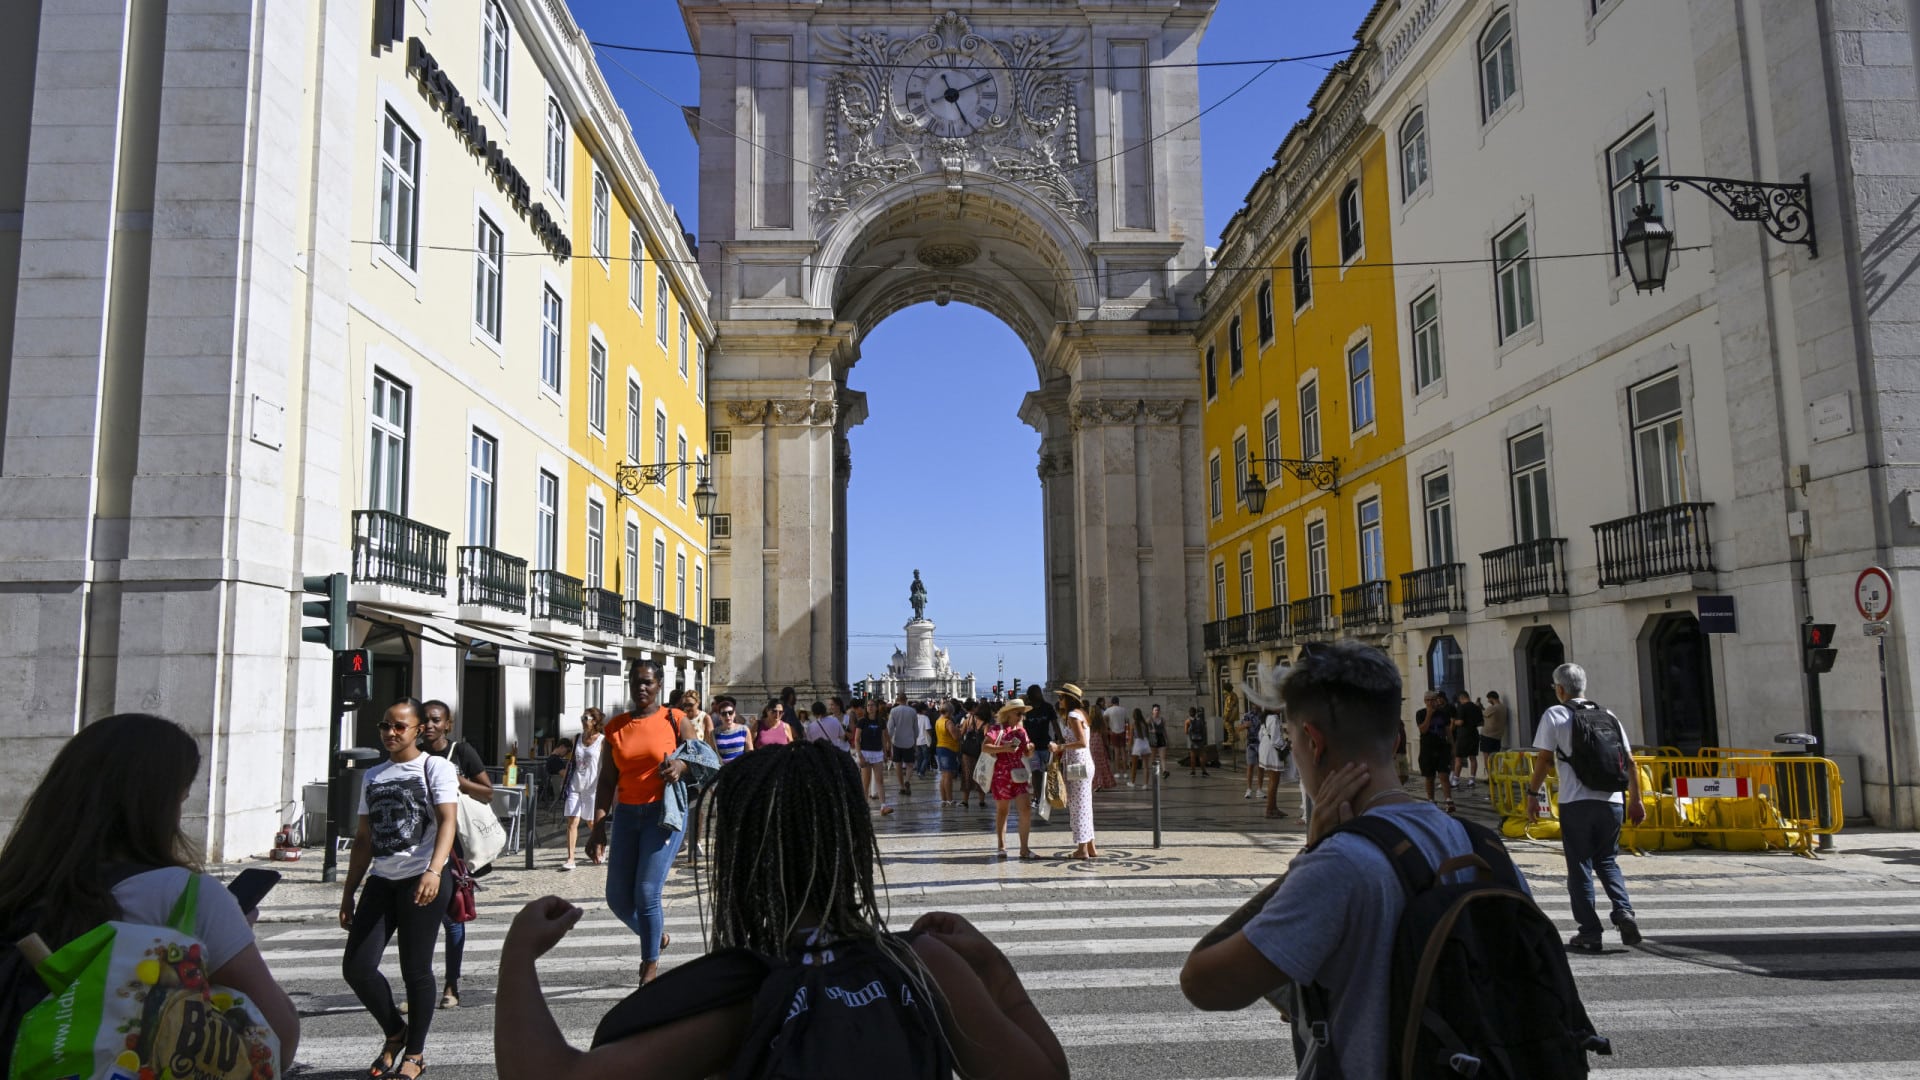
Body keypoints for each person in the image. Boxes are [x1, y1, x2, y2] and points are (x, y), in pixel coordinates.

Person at [493, 741, 1070, 1080]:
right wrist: (992, 968)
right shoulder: (923, 964)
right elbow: (1044, 1076)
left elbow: (554, 1076)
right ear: (853, 843)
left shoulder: (747, 998)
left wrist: (518, 955)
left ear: (742, 860)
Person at [1179, 642, 1504, 1079]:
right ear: (1395, 740)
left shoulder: (1338, 864)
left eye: (1292, 740)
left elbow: (1201, 981)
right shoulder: (1482, 844)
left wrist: (1310, 854)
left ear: (1313, 743)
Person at [0, 713, 300, 1071]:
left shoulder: (16, 884)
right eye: (181, 799)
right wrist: (229, 938)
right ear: (160, 804)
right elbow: (278, 1038)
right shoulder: (185, 897)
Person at [340, 699, 458, 1080]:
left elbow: (448, 822)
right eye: (385, 726)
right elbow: (363, 839)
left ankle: (415, 1054)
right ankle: (395, 1031)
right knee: (357, 967)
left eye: (399, 727)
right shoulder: (373, 775)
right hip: (382, 879)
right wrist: (349, 891)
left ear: (418, 730)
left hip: (423, 878)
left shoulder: (435, 767)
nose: (390, 733)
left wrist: (434, 870)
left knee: (416, 970)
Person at [585, 659, 699, 985]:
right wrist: (598, 827)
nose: (642, 687)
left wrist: (680, 766)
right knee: (618, 898)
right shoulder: (616, 727)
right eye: (636, 681)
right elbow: (607, 781)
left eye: (648, 681)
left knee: (647, 892)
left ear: (659, 684)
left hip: (663, 815)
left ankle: (649, 967)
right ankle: (656, 936)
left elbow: (701, 757)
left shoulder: (675, 719)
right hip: (626, 815)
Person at [1527, 662, 1644, 953]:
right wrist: (1636, 800)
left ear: (1560, 689)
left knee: (1579, 867)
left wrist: (1532, 794)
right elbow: (1631, 762)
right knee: (1608, 861)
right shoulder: (1608, 715)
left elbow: (1544, 759)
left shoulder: (1555, 714)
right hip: (1612, 802)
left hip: (1576, 802)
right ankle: (1623, 911)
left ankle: (1590, 932)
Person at [417, 699, 492, 1010]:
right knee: (418, 923)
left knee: (452, 919)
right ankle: (418, 987)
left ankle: (451, 984)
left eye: (436, 720)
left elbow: (488, 791)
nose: (430, 725)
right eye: (425, 720)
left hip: (454, 850)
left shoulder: (461, 752)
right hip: (419, 847)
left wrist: (456, 781)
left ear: (447, 724)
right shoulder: (414, 755)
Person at [984, 701, 1036, 859]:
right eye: (1018, 713)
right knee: (1003, 811)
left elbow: (1027, 753)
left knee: (1026, 809)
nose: (1021, 717)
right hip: (1002, 774)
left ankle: (1024, 848)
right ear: (1009, 714)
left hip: (1019, 773)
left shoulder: (1021, 731)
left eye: (1023, 714)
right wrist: (1004, 748)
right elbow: (984, 747)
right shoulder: (996, 729)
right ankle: (1001, 846)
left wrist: (1030, 749)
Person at [1051, 685, 1098, 860]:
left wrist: (1060, 747)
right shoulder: (1081, 714)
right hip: (1083, 763)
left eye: (1061, 697)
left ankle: (1082, 849)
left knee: (1078, 806)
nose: (1059, 701)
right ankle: (1090, 846)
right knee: (1085, 805)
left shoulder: (1073, 715)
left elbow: (1082, 742)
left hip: (1078, 764)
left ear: (1069, 699)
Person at [561, 709, 606, 871]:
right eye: (582, 717)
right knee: (572, 821)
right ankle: (570, 859)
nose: (582, 720)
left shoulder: (602, 741)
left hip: (592, 787)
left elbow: (606, 765)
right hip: (575, 785)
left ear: (595, 721)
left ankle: (601, 846)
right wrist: (565, 780)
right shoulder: (577, 738)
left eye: (585, 718)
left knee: (591, 822)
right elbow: (571, 761)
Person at [851, 699, 894, 815]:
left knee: (880, 780)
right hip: (865, 753)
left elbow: (884, 737)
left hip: (877, 753)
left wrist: (885, 752)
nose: (870, 707)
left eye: (872, 705)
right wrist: (860, 755)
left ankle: (883, 806)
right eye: (868, 705)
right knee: (866, 782)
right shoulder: (862, 721)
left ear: (876, 707)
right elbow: (857, 739)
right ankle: (864, 807)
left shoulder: (881, 721)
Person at [1417, 691, 1456, 812]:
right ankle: (1431, 800)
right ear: (1425, 701)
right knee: (1429, 776)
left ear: (1437, 700)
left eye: (1432, 700)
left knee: (1444, 774)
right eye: (1428, 700)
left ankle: (1448, 800)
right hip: (1427, 748)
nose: (1430, 702)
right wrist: (1429, 715)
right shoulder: (1420, 713)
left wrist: (1453, 746)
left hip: (1442, 747)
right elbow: (1423, 730)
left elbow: (1448, 731)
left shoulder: (1443, 714)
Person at [1021, 685, 1058, 813]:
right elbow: (1023, 727)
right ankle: (1037, 797)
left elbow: (1054, 723)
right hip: (1033, 747)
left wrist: (1059, 738)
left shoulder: (1048, 707)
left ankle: (1047, 795)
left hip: (1046, 745)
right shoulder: (1027, 710)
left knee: (1047, 772)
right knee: (1036, 772)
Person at [1452, 690, 1487, 789]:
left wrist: (1453, 722)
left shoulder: (1462, 707)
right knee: (1473, 758)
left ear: (1461, 698)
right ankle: (1471, 780)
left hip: (1463, 735)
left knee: (1458, 758)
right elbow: (1481, 723)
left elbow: (1460, 722)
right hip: (1474, 734)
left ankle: (1455, 781)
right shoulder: (1476, 707)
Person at [887, 694, 920, 798]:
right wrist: (915, 740)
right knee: (910, 764)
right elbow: (916, 729)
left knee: (898, 765)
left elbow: (890, 728)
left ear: (897, 700)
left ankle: (901, 787)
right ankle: (907, 780)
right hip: (909, 741)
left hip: (897, 741)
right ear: (906, 700)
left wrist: (888, 741)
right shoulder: (912, 711)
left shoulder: (893, 711)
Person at [957, 703, 989, 810]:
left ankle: (965, 801)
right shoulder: (986, 725)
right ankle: (981, 801)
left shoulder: (969, 720)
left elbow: (961, 734)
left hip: (967, 753)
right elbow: (986, 740)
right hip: (980, 754)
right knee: (981, 776)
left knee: (967, 776)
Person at [934, 702, 964, 805]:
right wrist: (961, 730)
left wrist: (956, 728)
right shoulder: (948, 722)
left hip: (940, 747)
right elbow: (956, 737)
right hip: (948, 749)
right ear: (950, 711)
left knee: (944, 776)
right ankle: (950, 799)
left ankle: (944, 799)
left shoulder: (938, 720)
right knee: (948, 776)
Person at [710, 696, 753, 763]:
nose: (727, 716)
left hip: (741, 767)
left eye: (730, 713)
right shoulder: (714, 733)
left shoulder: (744, 730)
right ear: (720, 716)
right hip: (722, 768)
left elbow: (750, 753)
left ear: (734, 714)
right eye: (724, 714)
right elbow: (713, 754)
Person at [1102, 695, 1129, 775]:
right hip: (1122, 731)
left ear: (1112, 702)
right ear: (1118, 702)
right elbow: (1127, 721)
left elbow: (1104, 719)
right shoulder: (1123, 710)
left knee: (1116, 752)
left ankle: (1117, 771)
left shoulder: (1108, 710)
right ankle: (1125, 771)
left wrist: (1108, 728)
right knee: (1123, 752)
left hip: (1113, 732)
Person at [1239, 705, 1261, 799]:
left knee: (1261, 767)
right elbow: (1239, 728)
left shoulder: (1263, 715)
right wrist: (1244, 725)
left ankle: (1259, 790)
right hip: (1251, 744)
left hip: (1262, 744)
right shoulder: (1247, 715)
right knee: (1250, 766)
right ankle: (1249, 790)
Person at [1482, 689, 1509, 759]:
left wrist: (1478, 706)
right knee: (1495, 757)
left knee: (1487, 757)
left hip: (1488, 736)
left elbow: (1482, 714)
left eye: (1488, 699)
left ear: (1491, 698)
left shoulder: (1493, 708)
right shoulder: (1503, 707)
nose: (1488, 701)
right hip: (1497, 737)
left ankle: (1488, 767)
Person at [1185, 706, 1212, 777]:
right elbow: (1204, 731)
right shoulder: (1200, 720)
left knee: (1192, 757)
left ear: (1189, 713)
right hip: (1200, 740)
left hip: (1192, 741)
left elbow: (1186, 732)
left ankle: (1193, 772)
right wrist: (1204, 740)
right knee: (1202, 756)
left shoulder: (1187, 721)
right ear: (1195, 713)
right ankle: (1204, 771)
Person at [1127, 707, 1151, 786]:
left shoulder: (1133, 724)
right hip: (1145, 743)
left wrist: (1129, 747)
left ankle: (1132, 782)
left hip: (1137, 744)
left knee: (1134, 765)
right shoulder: (1145, 724)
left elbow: (1131, 738)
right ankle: (1145, 784)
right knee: (1146, 766)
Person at [914, 704, 934, 778]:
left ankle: (918, 771)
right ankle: (921, 772)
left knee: (919, 758)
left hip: (916, 740)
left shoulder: (914, 717)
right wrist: (930, 737)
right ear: (922, 710)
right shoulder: (925, 718)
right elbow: (928, 729)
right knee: (926, 757)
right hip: (924, 740)